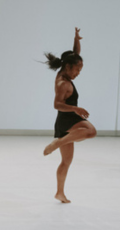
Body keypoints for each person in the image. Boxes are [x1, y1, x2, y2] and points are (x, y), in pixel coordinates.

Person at [42, 27, 96, 203]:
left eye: (80, 69)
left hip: (69, 119)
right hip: (66, 119)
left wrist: (77, 40)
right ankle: (58, 142)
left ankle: (59, 192)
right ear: (68, 67)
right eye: (77, 70)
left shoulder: (66, 69)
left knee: (67, 162)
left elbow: (74, 54)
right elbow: (57, 105)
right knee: (91, 131)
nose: (78, 73)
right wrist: (76, 109)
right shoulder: (62, 83)